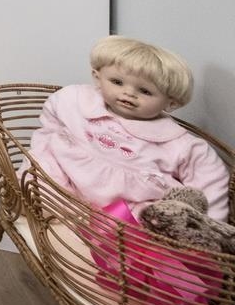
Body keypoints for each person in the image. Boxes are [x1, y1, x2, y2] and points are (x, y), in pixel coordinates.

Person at [31, 35, 229, 219]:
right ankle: (52, 206)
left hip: (123, 214)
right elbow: (49, 128)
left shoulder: (179, 144)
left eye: (145, 91)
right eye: (117, 82)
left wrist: (211, 225)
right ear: (97, 77)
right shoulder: (75, 101)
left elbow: (210, 182)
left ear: (171, 103)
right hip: (63, 187)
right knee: (43, 163)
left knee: (155, 217)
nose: (129, 93)